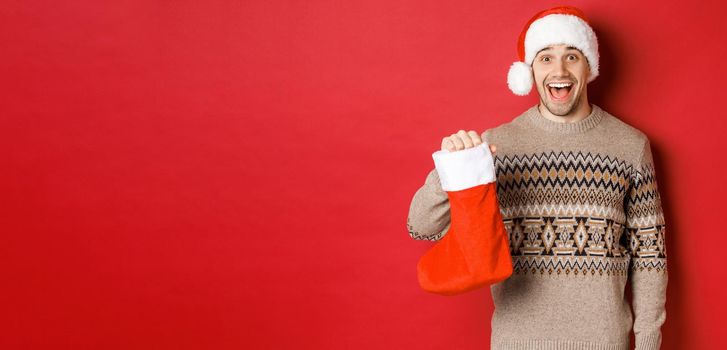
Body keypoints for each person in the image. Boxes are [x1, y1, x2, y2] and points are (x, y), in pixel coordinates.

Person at [407, 5, 668, 350]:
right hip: (516, 342)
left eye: (571, 56)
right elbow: (420, 227)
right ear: (529, 70)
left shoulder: (630, 147)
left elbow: (650, 256)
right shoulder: (495, 146)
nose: (559, 70)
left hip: (604, 342)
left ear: (589, 65)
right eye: (546, 58)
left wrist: (648, 343)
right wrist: (450, 171)